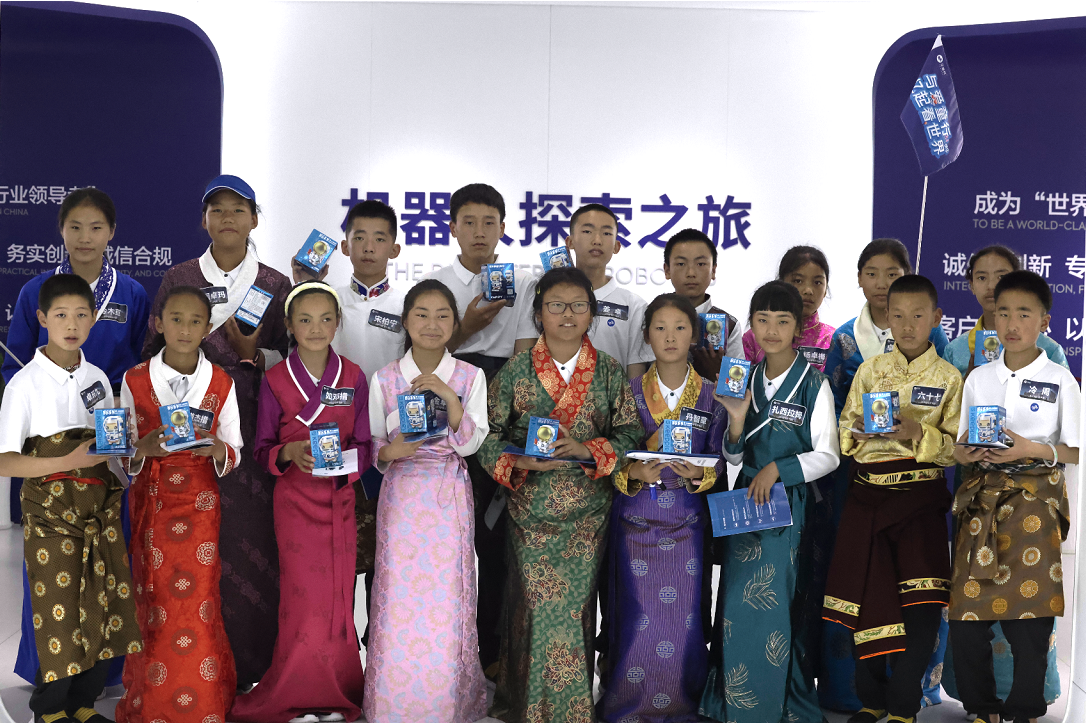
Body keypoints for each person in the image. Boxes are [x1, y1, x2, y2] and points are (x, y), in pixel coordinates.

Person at [478, 267, 643, 723]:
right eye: (556, 305)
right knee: (529, 607)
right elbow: (486, 436)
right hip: (530, 509)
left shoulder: (608, 371)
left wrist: (589, 449)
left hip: (588, 514)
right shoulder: (516, 371)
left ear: (591, 312)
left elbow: (630, 433)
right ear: (538, 314)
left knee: (575, 610)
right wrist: (521, 462)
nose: (567, 314)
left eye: (578, 305)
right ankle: (525, 704)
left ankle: (570, 711)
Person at [146, 174, 291, 686]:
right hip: (191, 423)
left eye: (238, 209)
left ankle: (252, 664)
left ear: (254, 220)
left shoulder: (274, 282)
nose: (228, 218)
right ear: (204, 219)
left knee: (253, 541)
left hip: (254, 421)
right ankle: (191, 664)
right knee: (190, 542)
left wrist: (257, 355)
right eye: (218, 209)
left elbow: (295, 355)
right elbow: (152, 349)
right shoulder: (180, 276)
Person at [6, 189, 150, 688]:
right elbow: (14, 363)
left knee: (107, 557)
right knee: (50, 569)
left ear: (112, 233)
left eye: (96, 227)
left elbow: (141, 363)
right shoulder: (37, 292)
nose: (85, 237)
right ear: (61, 231)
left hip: (108, 435)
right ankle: (46, 670)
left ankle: (101, 673)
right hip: (49, 443)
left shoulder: (131, 292)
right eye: (75, 227)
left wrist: (120, 418)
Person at [823, 274, 962, 723]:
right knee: (865, 596)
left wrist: (918, 431)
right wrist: (859, 433)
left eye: (917, 316)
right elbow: (844, 432)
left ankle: (904, 704)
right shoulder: (870, 371)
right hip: (867, 497)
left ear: (935, 318)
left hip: (921, 500)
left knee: (921, 603)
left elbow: (957, 449)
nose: (907, 325)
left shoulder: (949, 378)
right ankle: (871, 699)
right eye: (897, 316)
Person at [700, 281, 840, 723]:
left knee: (776, 602)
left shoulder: (814, 384)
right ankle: (732, 700)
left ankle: (776, 703)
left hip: (788, 508)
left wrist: (780, 468)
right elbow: (732, 455)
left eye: (783, 321)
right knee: (735, 602)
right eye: (763, 320)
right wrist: (736, 420)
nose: (772, 330)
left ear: (799, 327)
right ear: (752, 326)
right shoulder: (742, 379)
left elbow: (829, 455)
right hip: (746, 502)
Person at [230, 282, 369, 723]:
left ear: (338, 323)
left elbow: (365, 444)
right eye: (305, 320)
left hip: (338, 498)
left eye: (326, 319)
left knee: (337, 599)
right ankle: (297, 688)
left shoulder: (353, 376)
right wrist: (289, 452)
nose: (316, 328)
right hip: (294, 501)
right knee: (302, 599)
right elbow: (262, 449)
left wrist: (344, 465)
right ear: (289, 325)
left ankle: (337, 687)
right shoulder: (276, 379)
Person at [948, 270, 1078, 723]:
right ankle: (981, 707)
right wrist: (965, 451)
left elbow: (1077, 449)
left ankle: (1024, 709)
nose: (1012, 323)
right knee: (966, 615)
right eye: (1003, 313)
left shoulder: (1060, 379)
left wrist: (1031, 449)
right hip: (982, 501)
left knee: (1032, 617)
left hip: (1034, 502)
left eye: (1024, 313)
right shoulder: (979, 378)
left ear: (1044, 320)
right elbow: (960, 443)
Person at [421, 183, 537, 675]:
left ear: (503, 228)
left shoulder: (524, 282)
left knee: (495, 536)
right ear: (452, 227)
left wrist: (508, 414)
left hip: (503, 396)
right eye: (468, 222)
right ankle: (440, 653)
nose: (479, 232)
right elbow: (426, 353)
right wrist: (465, 325)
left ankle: (493, 651)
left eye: (490, 222)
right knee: (445, 535)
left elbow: (525, 354)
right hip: (447, 393)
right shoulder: (436, 283)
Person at [363, 279, 489, 723]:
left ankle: (444, 703)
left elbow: (471, 445)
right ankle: (392, 702)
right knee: (397, 594)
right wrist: (390, 452)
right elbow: (373, 443)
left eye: (442, 316)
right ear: (405, 321)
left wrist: (451, 399)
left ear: (455, 324)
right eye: (421, 314)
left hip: (446, 494)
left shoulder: (470, 377)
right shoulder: (385, 377)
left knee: (448, 597)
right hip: (401, 495)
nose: (432, 324)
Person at [116, 286, 242, 723]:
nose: (185, 329)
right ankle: (151, 702)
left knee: (200, 599)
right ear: (158, 323)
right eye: (175, 319)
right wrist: (142, 449)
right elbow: (121, 449)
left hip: (200, 506)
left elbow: (235, 448)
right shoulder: (134, 380)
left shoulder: (221, 383)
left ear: (208, 328)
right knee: (152, 598)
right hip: (151, 505)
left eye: (195, 321)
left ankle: (204, 701)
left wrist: (217, 449)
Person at [599, 293, 725, 723]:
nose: (670, 337)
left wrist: (699, 473)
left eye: (680, 328)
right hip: (635, 516)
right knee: (636, 614)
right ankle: (628, 704)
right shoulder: (628, 391)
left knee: (684, 616)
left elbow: (719, 459)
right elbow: (611, 451)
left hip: (687, 518)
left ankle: (683, 702)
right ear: (646, 335)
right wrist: (632, 473)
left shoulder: (712, 395)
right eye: (660, 328)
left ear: (694, 335)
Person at [328, 198, 407, 645]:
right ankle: (336, 650)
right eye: (360, 237)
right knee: (338, 552)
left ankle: (380, 647)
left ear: (394, 249)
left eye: (380, 238)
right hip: (335, 439)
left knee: (385, 554)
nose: (369, 247)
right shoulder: (327, 300)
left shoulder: (409, 304)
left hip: (387, 443)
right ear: (345, 246)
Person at [515, 204, 654, 381]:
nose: (597, 240)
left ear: (617, 246)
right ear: (570, 242)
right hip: (548, 396)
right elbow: (524, 357)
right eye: (587, 231)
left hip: (611, 397)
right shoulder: (542, 294)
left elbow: (635, 373)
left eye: (606, 233)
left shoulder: (634, 305)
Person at [942, 245, 1067, 376]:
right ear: (972, 285)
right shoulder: (955, 350)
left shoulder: (1049, 350)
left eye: (1001, 277)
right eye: (982, 278)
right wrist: (968, 383)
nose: (991, 286)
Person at [662, 228, 742, 379]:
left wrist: (718, 374)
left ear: (713, 271)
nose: (691, 273)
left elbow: (736, 386)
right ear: (667, 270)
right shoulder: (654, 318)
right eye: (681, 264)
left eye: (700, 264)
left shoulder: (729, 325)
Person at [743, 245, 835, 372]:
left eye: (817, 282)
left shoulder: (833, 339)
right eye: (798, 281)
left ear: (825, 290)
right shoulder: (754, 337)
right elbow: (737, 381)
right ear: (781, 284)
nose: (808, 290)